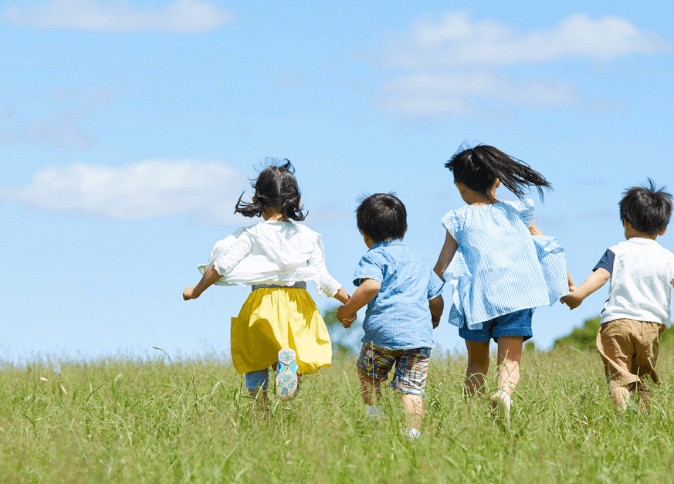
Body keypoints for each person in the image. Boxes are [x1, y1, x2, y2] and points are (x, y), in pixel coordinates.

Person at [183, 159, 350, 405]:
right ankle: (288, 369)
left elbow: (221, 266)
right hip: (298, 306)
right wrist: (350, 303)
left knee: (255, 361)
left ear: (256, 199)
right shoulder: (308, 237)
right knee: (294, 361)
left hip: (262, 304)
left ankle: (259, 417)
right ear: (297, 201)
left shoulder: (252, 234)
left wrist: (196, 291)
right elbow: (323, 278)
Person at [433, 144, 573, 422]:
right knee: (509, 361)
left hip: (476, 301)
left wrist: (433, 297)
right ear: (498, 180)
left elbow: (442, 266)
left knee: (476, 364)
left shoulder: (458, 218)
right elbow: (546, 245)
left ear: (459, 185)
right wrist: (568, 280)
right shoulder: (517, 211)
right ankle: (504, 395)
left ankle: (472, 418)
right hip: (517, 296)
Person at [561, 179, 674, 412]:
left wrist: (579, 295)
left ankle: (623, 412)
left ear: (625, 222)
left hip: (617, 322)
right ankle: (644, 416)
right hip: (651, 325)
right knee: (645, 374)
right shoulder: (667, 256)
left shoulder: (617, 251)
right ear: (663, 228)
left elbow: (601, 276)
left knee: (619, 374)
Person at [337, 193, 444, 440]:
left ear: (365, 233)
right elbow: (436, 299)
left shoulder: (374, 256)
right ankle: (412, 434)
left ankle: (375, 424)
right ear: (403, 228)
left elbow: (371, 286)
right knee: (412, 390)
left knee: (369, 376)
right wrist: (434, 319)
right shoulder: (419, 260)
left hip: (381, 336)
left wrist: (347, 310)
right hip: (418, 337)